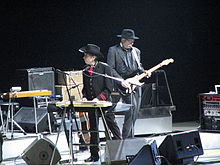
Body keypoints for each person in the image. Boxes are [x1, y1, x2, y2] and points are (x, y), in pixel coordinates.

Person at [79, 44, 122, 162]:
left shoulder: (105, 68)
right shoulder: (85, 69)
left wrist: (99, 98)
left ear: (93, 57)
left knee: (112, 127)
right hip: (92, 105)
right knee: (93, 129)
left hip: (105, 104)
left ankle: (122, 150)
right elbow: (85, 88)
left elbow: (108, 88)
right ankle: (94, 155)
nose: (83, 57)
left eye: (85, 55)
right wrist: (84, 97)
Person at [107, 29, 150, 139]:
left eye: (133, 41)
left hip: (134, 84)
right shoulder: (113, 50)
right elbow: (110, 69)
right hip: (119, 83)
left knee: (135, 110)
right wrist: (121, 80)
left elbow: (139, 67)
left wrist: (145, 72)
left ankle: (129, 137)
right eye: (130, 41)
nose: (132, 43)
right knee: (127, 108)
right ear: (123, 40)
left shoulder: (136, 51)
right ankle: (122, 137)